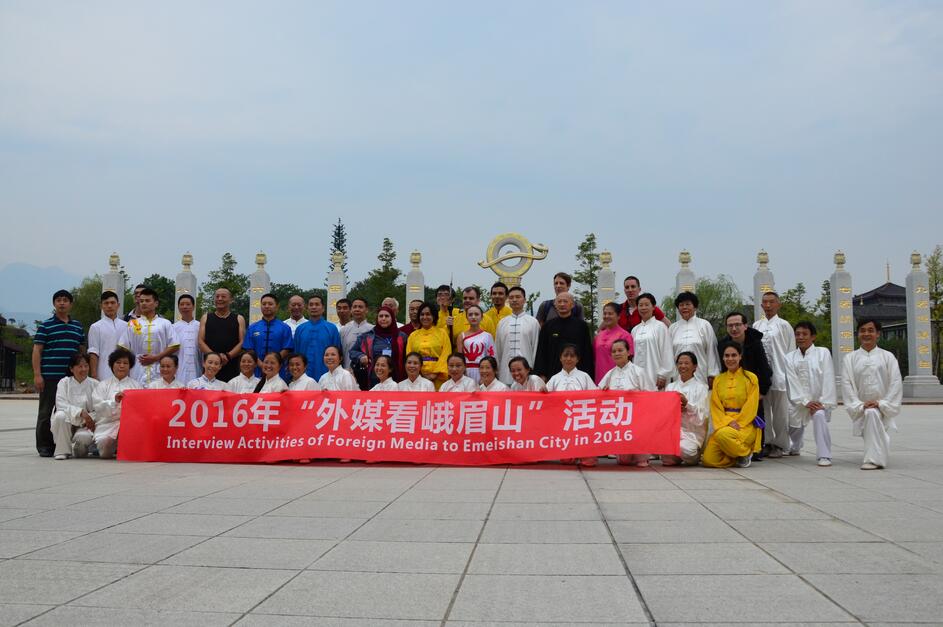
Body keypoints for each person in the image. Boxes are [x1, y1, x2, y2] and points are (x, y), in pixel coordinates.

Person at [841, 319, 902, 470]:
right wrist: (859, 404)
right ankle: (876, 455)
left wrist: (882, 403)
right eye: (862, 330)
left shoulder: (888, 357)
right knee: (869, 413)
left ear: (878, 334)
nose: (866, 334)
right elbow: (846, 384)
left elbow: (895, 382)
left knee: (873, 413)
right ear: (857, 334)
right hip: (860, 406)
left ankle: (873, 459)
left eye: (870, 330)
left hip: (883, 406)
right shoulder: (850, 358)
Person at [32, 289, 86, 457]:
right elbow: (37, 351)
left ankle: (62, 444)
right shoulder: (46, 326)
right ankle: (44, 446)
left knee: (66, 412)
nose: (62, 303)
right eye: (58, 300)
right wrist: (37, 374)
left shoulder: (77, 326)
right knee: (46, 413)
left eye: (65, 300)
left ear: (71, 304)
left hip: (71, 379)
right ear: (54, 304)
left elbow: (82, 350)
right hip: (49, 376)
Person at [719, 311, 772, 459]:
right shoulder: (723, 344)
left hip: (753, 386)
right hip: (733, 385)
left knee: (756, 415)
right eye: (730, 325)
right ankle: (734, 445)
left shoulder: (755, 342)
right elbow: (723, 367)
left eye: (737, 325)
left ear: (745, 326)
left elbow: (764, 368)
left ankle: (757, 447)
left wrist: (762, 391)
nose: (734, 329)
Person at [784, 321, 836, 466]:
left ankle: (824, 455)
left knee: (819, 416)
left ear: (813, 337)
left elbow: (828, 377)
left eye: (804, 334)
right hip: (798, 401)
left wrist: (823, 403)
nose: (800, 337)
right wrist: (805, 401)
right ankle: (795, 445)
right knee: (793, 424)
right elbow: (792, 381)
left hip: (819, 402)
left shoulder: (823, 353)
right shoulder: (790, 357)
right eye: (798, 334)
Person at [702, 342, 761, 468]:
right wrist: (727, 421)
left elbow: (752, 406)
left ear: (740, 356)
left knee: (722, 435)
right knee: (708, 460)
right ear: (722, 358)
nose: (730, 359)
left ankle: (744, 452)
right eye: (726, 356)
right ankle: (738, 455)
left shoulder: (751, 378)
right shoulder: (718, 379)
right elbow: (715, 406)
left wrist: (737, 423)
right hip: (724, 423)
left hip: (744, 425)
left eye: (734, 355)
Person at [753, 291, 796, 458]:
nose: (768, 305)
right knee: (764, 411)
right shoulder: (757, 326)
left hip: (780, 374)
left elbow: (791, 351)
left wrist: (791, 375)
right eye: (765, 302)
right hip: (762, 377)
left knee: (780, 413)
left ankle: (780, 444)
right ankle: (767, 442)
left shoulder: (784, 326)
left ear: (778, 304)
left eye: (772, 302)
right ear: (761, 305)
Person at [598, 338, 654, 467]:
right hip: (617, 421)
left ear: (628, 352)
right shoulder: (610, 374)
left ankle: (643, 455)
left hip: (637, 419)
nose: (617, 353)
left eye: (620, 350)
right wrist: (604, 392)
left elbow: (651, 395)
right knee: (623, 461)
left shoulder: (638, 371)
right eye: (614, 351)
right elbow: (598, 395)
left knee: (640, 460)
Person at [116, 288, 179, 388]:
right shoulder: (133, 323)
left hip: (159, 368)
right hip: (137, 369)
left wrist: (156, 357)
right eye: (141, 301)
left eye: (147, 301)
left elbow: (175, 345)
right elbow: (123, 348)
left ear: (156, 303)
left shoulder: (165, 323)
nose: (144, 303)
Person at [547, 345, 597, 466]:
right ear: (560, 358)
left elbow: (596, 395)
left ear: (577, 359)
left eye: (572, 356)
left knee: (588, 460)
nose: (568, 359)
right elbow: (545, 399)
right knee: (566, 460)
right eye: (565, 355)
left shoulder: (584, 376)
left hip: (581, 419)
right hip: (562, 420)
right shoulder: (554, 378)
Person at [91, 348, 142, 459]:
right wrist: (114, 401)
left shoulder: (136, 386)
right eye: (118, 362)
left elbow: (141, 409)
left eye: (125, 363)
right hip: (106, 425)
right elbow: (98, 406)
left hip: (129, 426)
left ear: (130, 366)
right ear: (112, 365)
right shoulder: (103, 385)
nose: (122, 366)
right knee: (105, 451)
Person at [534, 292, 594, 381]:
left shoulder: (581, 326)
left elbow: (587, 352)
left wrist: (588, 375)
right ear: (555, 304)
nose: (562, 304)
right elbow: (541, 351)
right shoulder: (548, 326)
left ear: (572, 305)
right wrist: (541, 374)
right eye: (559, 301)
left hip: (578, 374)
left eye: (565, 301)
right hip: (553, 373)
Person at [663, 352, 710, 466]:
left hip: (691, 434)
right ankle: (676, 455)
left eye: (686, 363)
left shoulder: (702, 388)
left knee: (686, 450)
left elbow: (702, 417)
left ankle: (694, 455)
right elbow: (664, 413)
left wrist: (687, 405)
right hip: (673, 433)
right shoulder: (670, 387)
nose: (683, 366)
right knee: (666, 458)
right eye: (680, 363)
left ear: (694, 367)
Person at [50, 353, 96, 460]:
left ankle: (79, 448)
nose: (83, 369)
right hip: (68, 421)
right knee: (60, 416)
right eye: (80, 366)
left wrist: (90, 418)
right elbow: (61, 404)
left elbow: (98, 408)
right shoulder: (64, 382)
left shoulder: (95, 384)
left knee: (81, 445)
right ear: (71, 368)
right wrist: (81, 412)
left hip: (86, 424)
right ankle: (62, 450)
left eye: (86, 366)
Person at [668, 291, 719, 387]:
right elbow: (669, 354)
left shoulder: (705, 325)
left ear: (695, 307)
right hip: (678, 377)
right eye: (681, 305)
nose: (684, 307)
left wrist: (712, 374)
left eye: (688, 304)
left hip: (700, 375)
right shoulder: (673, 328)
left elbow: (712, 351)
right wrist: (670, 375)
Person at [350, 305, 407, 387]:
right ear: (377, 319)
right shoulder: (367, 336)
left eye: (387, 316)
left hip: (397, 377)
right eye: (381, 316)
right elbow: (352, 351)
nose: (383, 318)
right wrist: (360, 356)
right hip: (374, 378)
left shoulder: (402, 336)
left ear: (392, 318)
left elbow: (406, 357)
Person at [199, 288, 246, 382]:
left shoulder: (239, 318)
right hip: (211, 365)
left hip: (231, 364)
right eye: (217, 296)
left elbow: (242, 342)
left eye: (223, 296)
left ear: (231, 300)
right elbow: (200, 341)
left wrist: (228, 356)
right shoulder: (206, 317)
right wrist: (215, 357)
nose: (220, 299)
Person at [495, 286, 540, 385]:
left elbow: (535, 348)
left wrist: (532, 369)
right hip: (505, 372)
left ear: (524, 300)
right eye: (511, 297)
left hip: (526, 373)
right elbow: (498, 350)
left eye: (518, 297)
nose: (514, 300)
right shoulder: (502, 323)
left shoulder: (533, 322)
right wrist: (498, 370)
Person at [293, 295, 343, 381]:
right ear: (307, 308)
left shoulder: (331, 329)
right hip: (303, 376)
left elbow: (337, 355)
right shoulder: (300, 329)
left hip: (326, 376)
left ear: (323, 308)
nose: (314, 307)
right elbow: (295, 354)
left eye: (317, 304)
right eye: (311, 305)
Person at [243, 293, 294, 377]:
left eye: (270, 304)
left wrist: (273, 363)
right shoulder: (252, 328)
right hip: (256, 371)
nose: (267, 306)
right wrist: (261, 365)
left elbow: (287, 349)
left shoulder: (285, 328)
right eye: (264, 304)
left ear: (277, 306)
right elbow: (249, 349)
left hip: (278, 371)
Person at [631, 293, 673, 390]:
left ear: (653, 307)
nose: (643, 308)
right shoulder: (635, 330)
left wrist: (663, 374)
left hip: (656, 376)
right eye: (640, 305)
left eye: (647, 305)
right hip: (637, 376)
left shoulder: (660, 327)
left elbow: (667, 351)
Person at [405, 302, 452, 389]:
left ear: (433, 316)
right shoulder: (413, 335)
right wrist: (419, 373)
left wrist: (435, 374)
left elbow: (446, 354)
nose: (425, 317)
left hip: (438, 377)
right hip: (417, 376)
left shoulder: (442, 333)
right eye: (422, 314)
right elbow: (409, 356)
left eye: (428, 314)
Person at [88, 291, 124, 382]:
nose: (109, 306)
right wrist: (94, 375)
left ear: (118, 305)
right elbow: (93, 352)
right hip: (103, 372)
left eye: (112, 303)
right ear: (101, 306)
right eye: (106, 303)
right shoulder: (96, 327)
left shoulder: (127, 326)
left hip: (124, 372)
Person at [594, 301, 634, 385]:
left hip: (618, 380)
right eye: (605, 314)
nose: (607, 316)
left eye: (610, 314)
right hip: (599, 379)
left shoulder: (625, 336)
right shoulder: (598, 336)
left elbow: (629, 361)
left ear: (618, 316)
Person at [455, 305, 496, 385]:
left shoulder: (487, 336)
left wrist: (486, 375)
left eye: (476, 314)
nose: (473, 317)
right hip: (466, 372)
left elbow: (492, 358)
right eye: (470, 315)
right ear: (466, 318)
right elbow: (460, 359)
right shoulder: (461, 336)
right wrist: (462, 374)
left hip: (483, 371)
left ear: (482, 317)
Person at [172, 294, 202, 385]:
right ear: (178, 307)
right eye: (182, 304)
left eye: (188, 304)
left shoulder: (200, 326)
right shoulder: (173, 327)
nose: (185, 307)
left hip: (197, 367)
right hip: (179, 369)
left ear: (193, 306)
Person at [340, 298, 373, 369]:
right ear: (351, 310)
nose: (357, 309)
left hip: (367, 373)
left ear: (366, 310)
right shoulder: (344, 330)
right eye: (354, 307)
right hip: (347, 372)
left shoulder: (373, 330)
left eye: (360, 307)